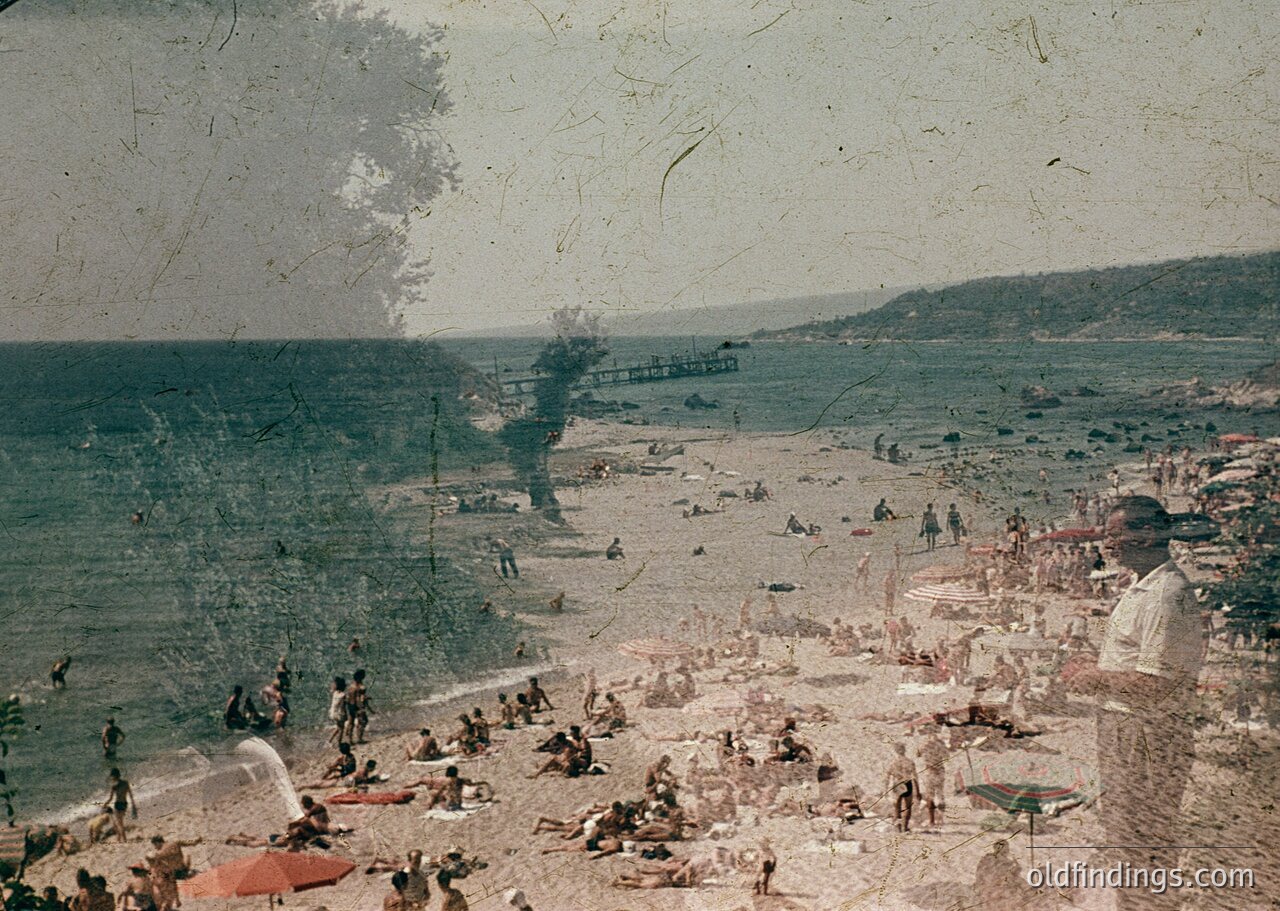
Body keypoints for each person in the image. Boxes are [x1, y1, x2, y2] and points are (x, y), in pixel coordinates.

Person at [1066, 495, 1207, 911]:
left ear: (1147, 534)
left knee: (1141, 836)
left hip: (1145, 733)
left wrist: (1093, 678)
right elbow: (1139, 664)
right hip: (1127, 728)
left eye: (1115, 534)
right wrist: (1098, 668)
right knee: (1126, 832)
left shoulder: (1166, 594)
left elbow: (1155, 685)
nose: (1106, 543)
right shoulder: (1142, 586)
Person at [146, 834, 200, 911]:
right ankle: (188, 870)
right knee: (186, 856)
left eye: (155, 845)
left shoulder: (160, 853)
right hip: (183, 868)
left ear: (157, 842)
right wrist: (196, 841)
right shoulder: (174, 842)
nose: (155, 847)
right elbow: (191, 842)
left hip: (176, 873)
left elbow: (153, 861)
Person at [884, 744, 919, 832]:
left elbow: (887, 777)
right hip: (907, 784)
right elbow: (915, 777)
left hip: (897, 784)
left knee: (897, 807)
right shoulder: (910, 762)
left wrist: (885, 789)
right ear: (904, 750)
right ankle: (905, 827)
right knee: (908, 807)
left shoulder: (893, 763)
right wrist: (918, 791)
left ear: (896, 751)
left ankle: (899, 828)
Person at [103, 768, 135, 843]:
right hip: (124, 804)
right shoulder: (125, 783)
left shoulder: (114, 786)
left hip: (118, 805)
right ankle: (119, 838)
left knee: (119, 823)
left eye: (112, 776)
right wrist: (133, 804)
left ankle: (124, 839)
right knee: (120, 822)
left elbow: (110, 798)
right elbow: (130, 794)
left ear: (114, 776)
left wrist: (105, 804)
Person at [344, 669, 371, 744]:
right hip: (357, 705)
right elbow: (359, 698)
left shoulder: (351, 686)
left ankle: (350, 740)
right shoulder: (360, 687)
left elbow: (348, 697)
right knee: (363, 721)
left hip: (350, 705)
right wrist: (362, 705)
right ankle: (359, 738)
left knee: (351, 723)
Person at [327, 676, 348, 744]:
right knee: (341, 729)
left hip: (333, 713)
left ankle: (329, 740)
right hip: (340, 714)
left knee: (338, 727)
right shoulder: (343, 695)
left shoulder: (335, 693)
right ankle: (339, 743)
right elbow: (345, 705)